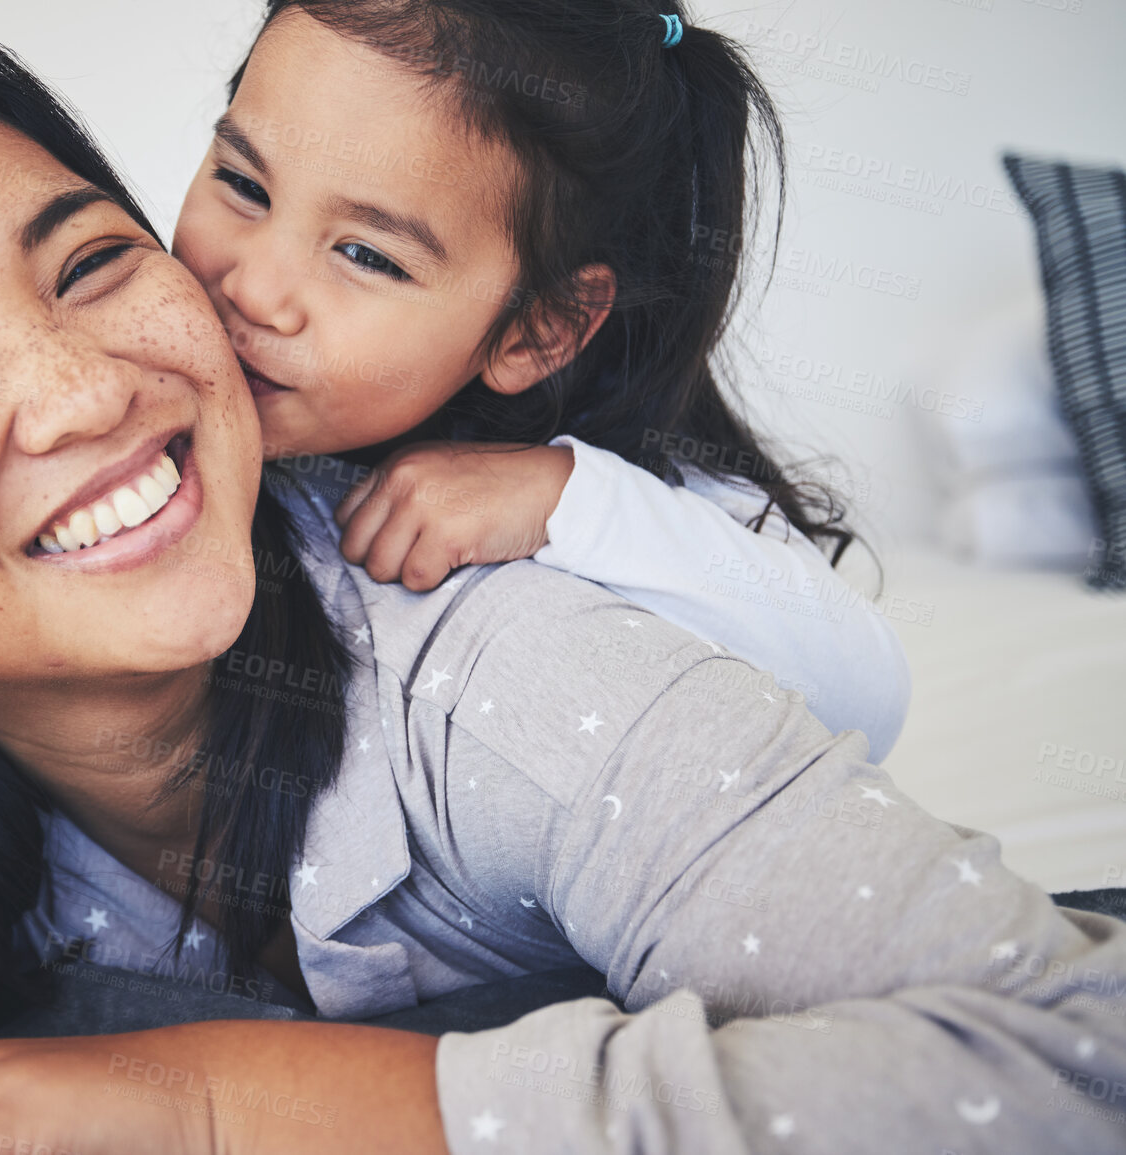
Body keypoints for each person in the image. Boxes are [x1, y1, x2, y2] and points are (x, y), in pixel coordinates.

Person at [0, 19, 1120, 1155]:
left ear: (538, 328)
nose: (85, 391)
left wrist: (199, 1103)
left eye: (87, 263)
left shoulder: (507, 660)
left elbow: (1065, 1061)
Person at [168, 0, 910, 758]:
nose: (253, 287)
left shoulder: (637, 506)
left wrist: (562, 498)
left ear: (537, 329)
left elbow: (868, 697)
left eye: (367, 256)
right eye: (244, 184)